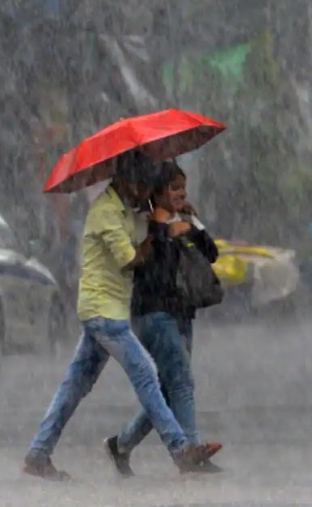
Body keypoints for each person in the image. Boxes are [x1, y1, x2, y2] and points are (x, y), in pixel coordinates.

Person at [23, 151, 220, 481]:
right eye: (144, 187)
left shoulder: (127, 210)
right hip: (103, 313)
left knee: (74, 387)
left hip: (109, 310)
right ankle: (179, 448)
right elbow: (131, 260)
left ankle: (38, 454)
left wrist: (172, 216)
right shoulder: (105, 213)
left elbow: (153, 231)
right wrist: (158, 229)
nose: (147, 193)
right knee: (146, 374)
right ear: (129, 183)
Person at [104, 161, 223, 477]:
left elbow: (211, 253)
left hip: (183, 311)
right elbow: (149, 268)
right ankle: (190, 451)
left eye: (183, 187)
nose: (180, 193)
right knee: (182, 381)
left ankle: (122, 444)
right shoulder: (142, 224)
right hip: (153, 314)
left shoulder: (185, 218)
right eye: (173, 189)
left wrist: (191, 226)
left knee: (169, 391)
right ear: (157, 193)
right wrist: (164, 233)